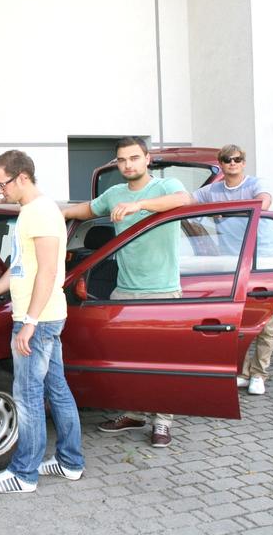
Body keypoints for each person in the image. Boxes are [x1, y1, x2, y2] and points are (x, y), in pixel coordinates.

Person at [0, 150, 84, 494]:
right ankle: (71, 462)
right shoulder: (30, 212)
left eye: (3, 184)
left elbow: (47, 272)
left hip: (38, 320)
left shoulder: (41, 213)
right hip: (43, 317)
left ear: (23, 177)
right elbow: (19, 269)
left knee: (27, 396)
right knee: (56, 390)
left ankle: (24, 473)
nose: (1, 191)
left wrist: (29, 321)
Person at [61, 136, 191, 448]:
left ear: (147, 159)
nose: (128, 165)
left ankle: (162, 421)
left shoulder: (163, 187)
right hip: (124, 291)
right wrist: (49, 210)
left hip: (161, 291)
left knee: (161, 362)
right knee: (126, 359)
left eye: (134, 158)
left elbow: (185, 200)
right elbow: (86, 210)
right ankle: (133, 413)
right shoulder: (114, 193)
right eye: (122, 160)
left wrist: (139, 205)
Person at [192, 144, 273, 396]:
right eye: (227, 160)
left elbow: (263, 204)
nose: (232, 163)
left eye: (237, 159)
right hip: (232, 264)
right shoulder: (212, 191)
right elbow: (188, 202)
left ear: (243, 162)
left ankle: (259, 374)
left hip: (262, 262)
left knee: (266, 322)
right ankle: (243, 372)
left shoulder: (254, 184)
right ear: (221, 164)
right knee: (237, 321)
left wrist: (223, 213)